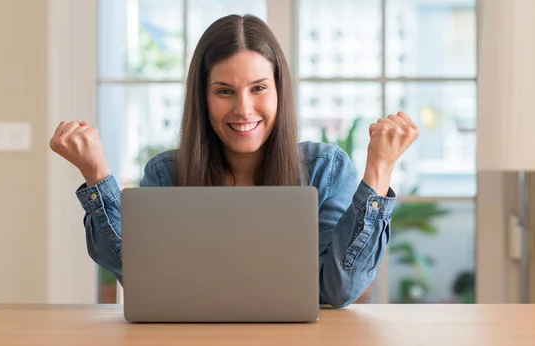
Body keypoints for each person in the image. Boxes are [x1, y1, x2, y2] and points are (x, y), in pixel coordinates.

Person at [49, 14, 419, 308]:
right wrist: (97, 176)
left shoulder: (326, 168)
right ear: (203, 98)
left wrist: (379, 171)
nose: (244, 110)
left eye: (258, 88)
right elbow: (141, 275)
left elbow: (336, 290)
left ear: (279, 91)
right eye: (224, 91)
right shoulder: (166, 172)